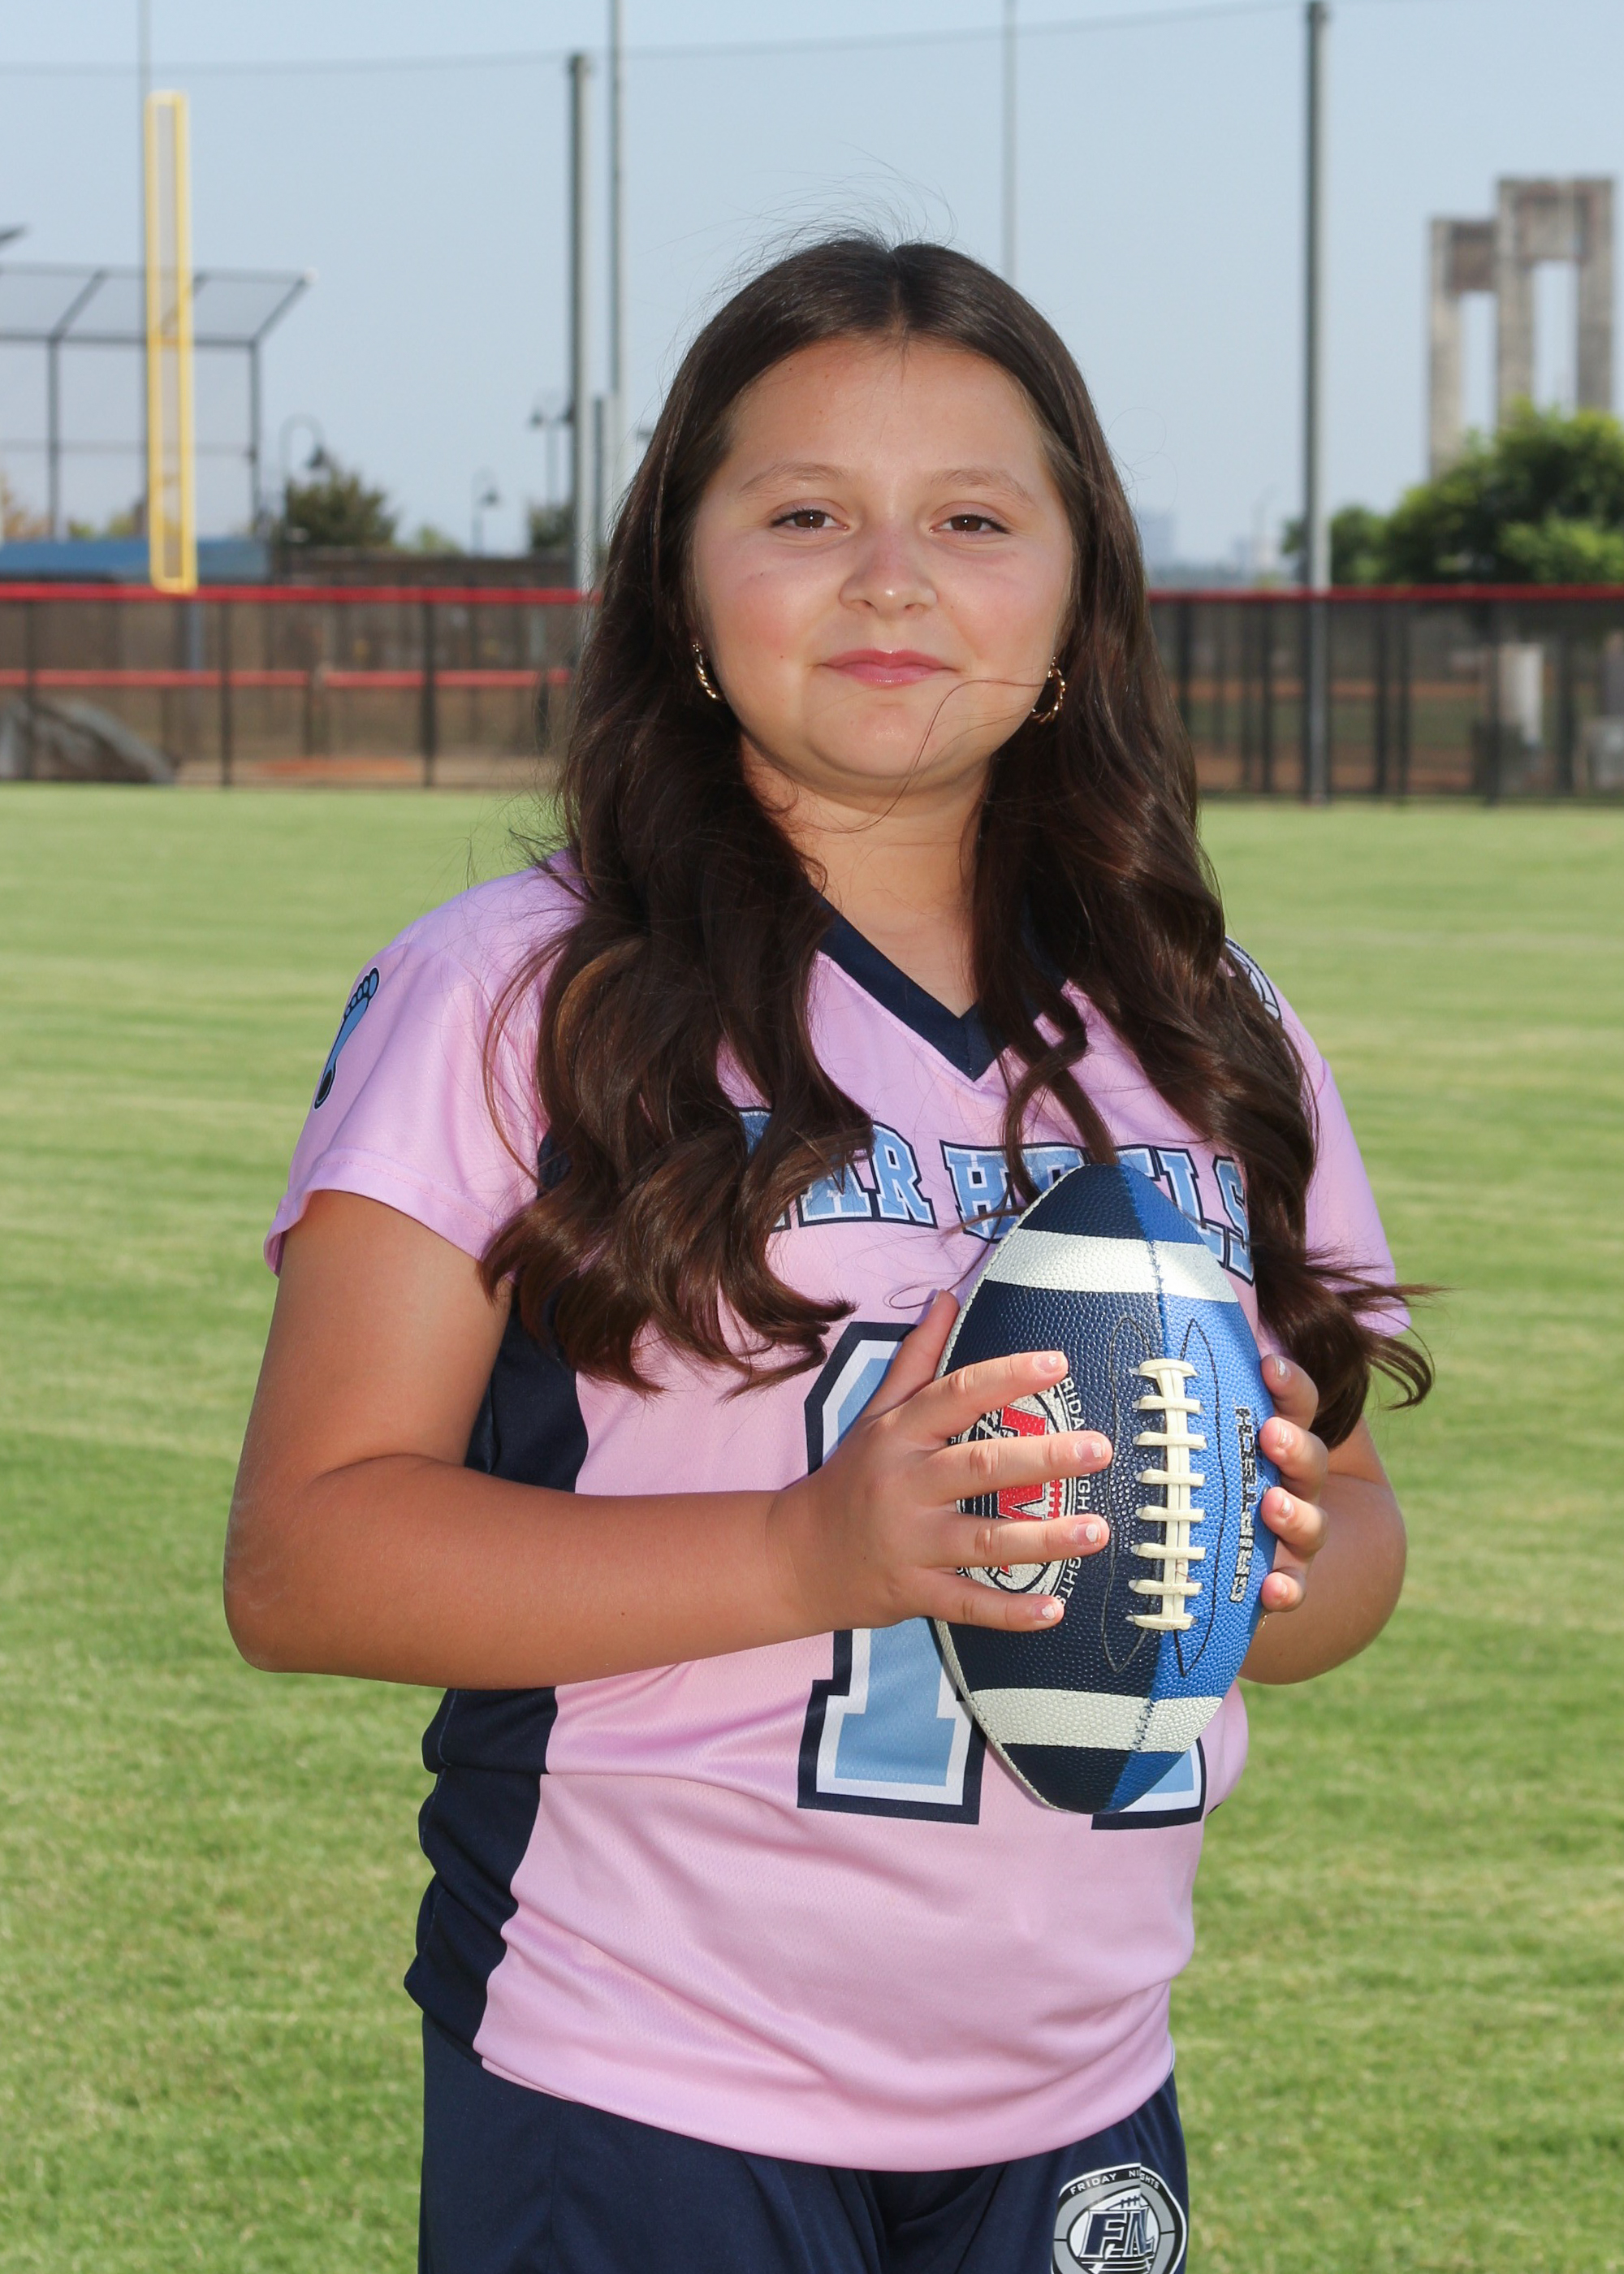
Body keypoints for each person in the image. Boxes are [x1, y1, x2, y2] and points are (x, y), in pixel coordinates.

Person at [226, 237, 1428, 2274]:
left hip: (1075, 2078)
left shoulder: (1208, 1022)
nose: (890, 581)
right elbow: (304, 1556)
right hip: (638, 2065)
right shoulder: (514, 992)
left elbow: (1355, 1535)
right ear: (680, 590)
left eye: (972, 518)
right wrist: (810, 1551)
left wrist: (1266, 1549)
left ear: (1079, 595)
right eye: (803, 516)